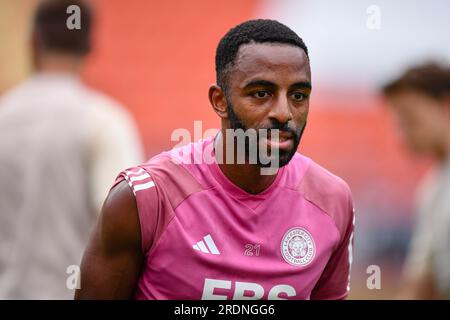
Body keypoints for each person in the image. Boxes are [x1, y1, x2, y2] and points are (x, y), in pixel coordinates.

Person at [76, 19, 355, 300]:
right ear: (220, 101)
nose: (284, 113)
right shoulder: (145, 199)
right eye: (261, 93)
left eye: (298, 95)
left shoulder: (332, 201)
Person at [0, 0, 143, 299]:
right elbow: (128, 224)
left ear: (34, 43)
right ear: (90, 45)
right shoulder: (104, 122)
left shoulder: (4, 117)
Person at [382, 62, 450, 299]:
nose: (402, 134)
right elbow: (422, 282)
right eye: (399, 122)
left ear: (446, 106)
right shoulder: (432, 189)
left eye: (410, 118)